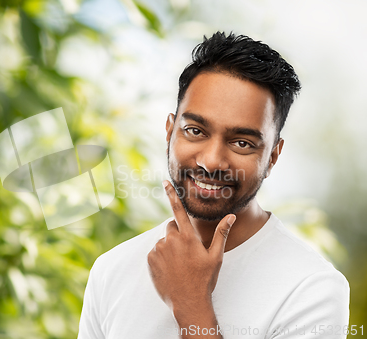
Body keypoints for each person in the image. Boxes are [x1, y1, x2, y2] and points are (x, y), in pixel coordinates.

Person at [77, 32, 350, 339]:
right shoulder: (111, 270)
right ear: (170, 132)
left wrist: (192, 305)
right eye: (195, 130)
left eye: (242, 143)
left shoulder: (312, 288)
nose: (211, 161)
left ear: (272, 157)